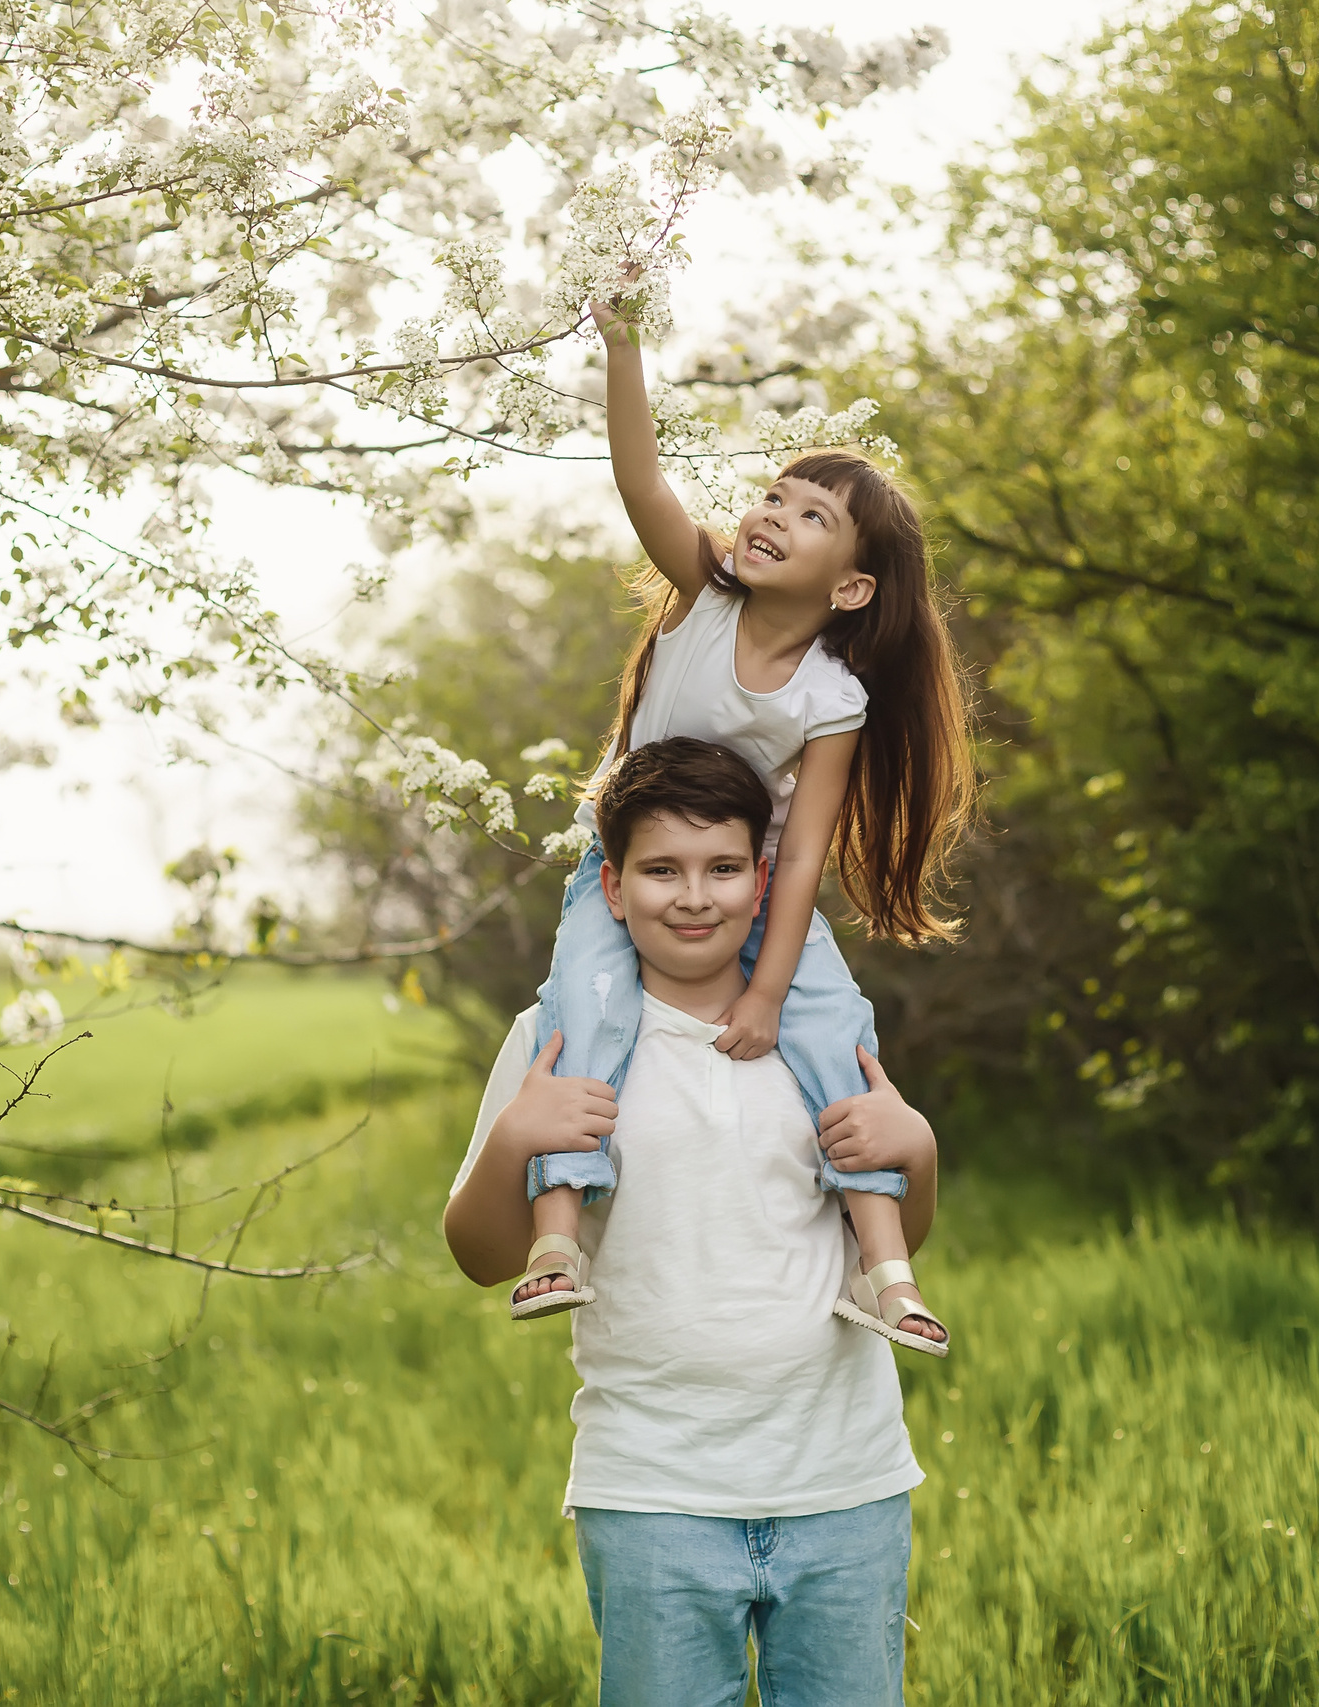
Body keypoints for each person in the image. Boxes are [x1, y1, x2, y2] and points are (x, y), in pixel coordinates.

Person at [508, 289, 974, 1356]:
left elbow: (804, 846)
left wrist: (769, 989)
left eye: (812, 516)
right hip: (629, 870)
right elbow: (639, 479)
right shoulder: (706, 597)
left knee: (832, 1035)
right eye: (776, 494)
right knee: (584, 1013)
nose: (774, 514)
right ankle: (555, 1240)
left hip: (756, 888)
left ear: (851, 586)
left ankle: (885, 1271)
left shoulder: (830, 697)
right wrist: (622, 344)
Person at [443, 737, 939, 1705]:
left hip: (842, 1481)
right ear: (612, 888)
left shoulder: (821, 1030)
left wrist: (917, 1147)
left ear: (763, 880)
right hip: (652, 1488)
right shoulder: (555, 1038)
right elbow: (478, 1258)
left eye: (721, 868)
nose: (693, 896)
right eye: (660, 869)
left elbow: (888, 1235)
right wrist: (514, 1142)